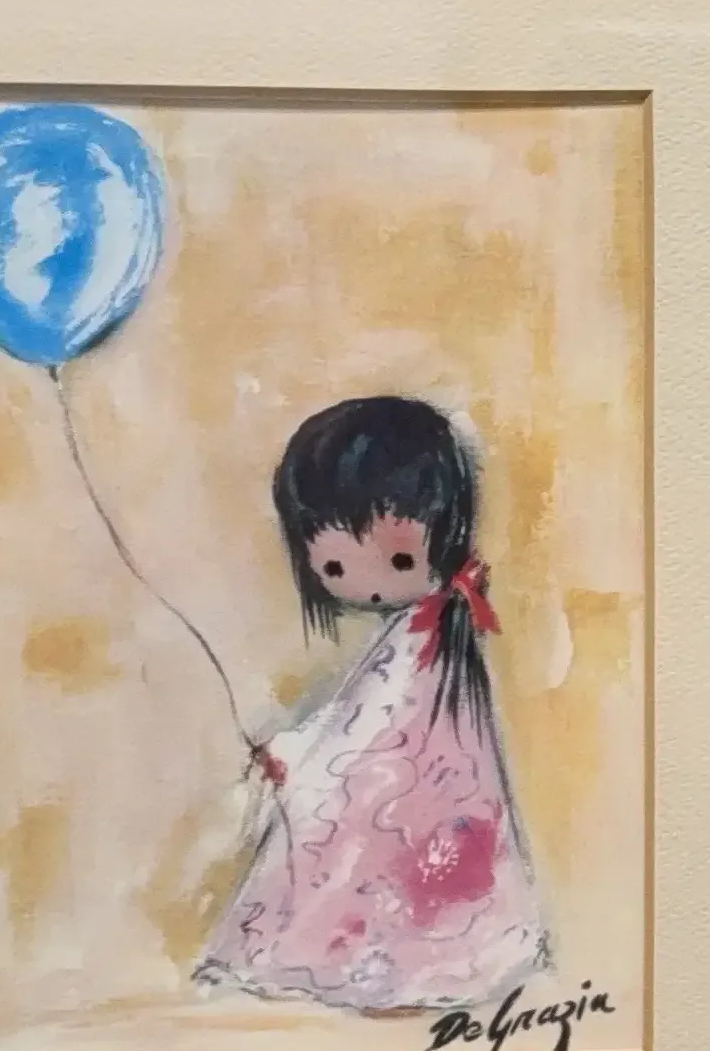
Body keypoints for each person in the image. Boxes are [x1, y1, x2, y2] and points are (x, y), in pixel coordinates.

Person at [194, 395, 550, 1013]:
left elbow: (372, 734)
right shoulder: (430, 634)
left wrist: (295, 764)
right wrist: (296, 750)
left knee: (368, 879)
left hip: (404, 802)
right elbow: (363, 720)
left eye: (400, 559)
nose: (367, 581)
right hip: (420, 798)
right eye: (334, 565)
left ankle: (391, 978)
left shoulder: (426, 642)